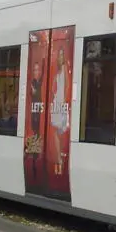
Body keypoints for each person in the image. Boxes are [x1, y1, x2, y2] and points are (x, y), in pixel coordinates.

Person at [49, 48, 69, 176]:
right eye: (59, 55)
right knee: (56, 131)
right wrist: (55, 96)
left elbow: (67, 85)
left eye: (62, 55)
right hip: (57, 102)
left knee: (60, 131)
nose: (60, 57)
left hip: (61, 103)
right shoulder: (57, 71)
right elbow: (52, 88)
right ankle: (58, 158)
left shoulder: (64, 68)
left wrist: (64, 100)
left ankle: (59, 157)